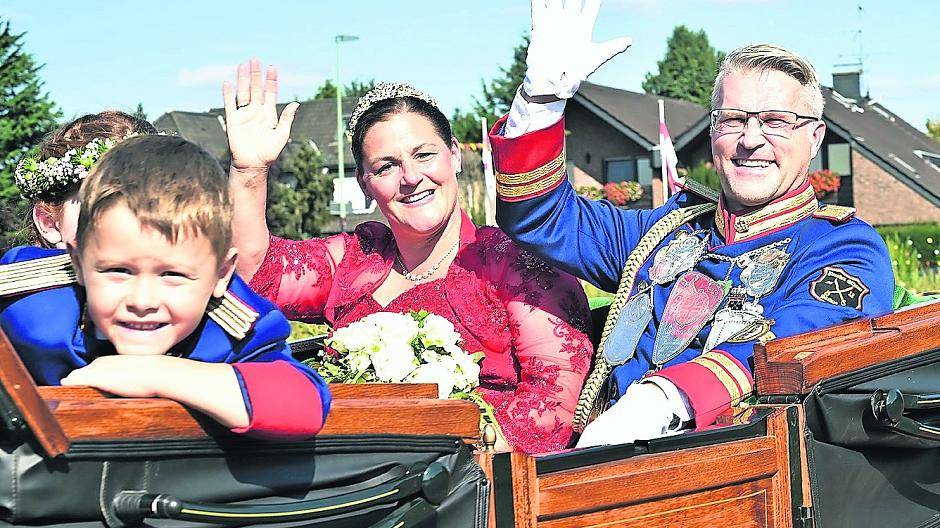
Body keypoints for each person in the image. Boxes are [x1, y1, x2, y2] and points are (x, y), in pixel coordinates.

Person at [490, 0, 894, 447]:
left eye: (777, 122)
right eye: (733, 119)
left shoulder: (843, 246)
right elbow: (537, 217)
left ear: (814, 137)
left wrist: (664, 400)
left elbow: (804, 343)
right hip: (589, 462)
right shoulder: (668, 228)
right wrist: (541, 102)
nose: (750, 140)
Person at [224, 59, 592, 454]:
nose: (411, 177)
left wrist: (433, 456)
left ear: (454, 155)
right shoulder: (354, 259)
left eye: (424, 155)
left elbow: (550, 408)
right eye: (386, 166)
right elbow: (253, 270)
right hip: (353, 475)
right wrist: (249, 171)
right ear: (365, 184)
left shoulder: (518, 265)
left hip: (471, 490)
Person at [0, 135, 331, 439]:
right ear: (78, 263)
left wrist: (158, 373)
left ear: (221, 275)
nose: (143, 300)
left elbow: (305, 402)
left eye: (172, 275)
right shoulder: (29, 302)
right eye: (118, 271)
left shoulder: (232, 325)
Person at [13, 111, 156, 249]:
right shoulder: (20, 269)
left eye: (152, 204)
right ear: (48, 221)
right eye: (103, 204)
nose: (130, 222)